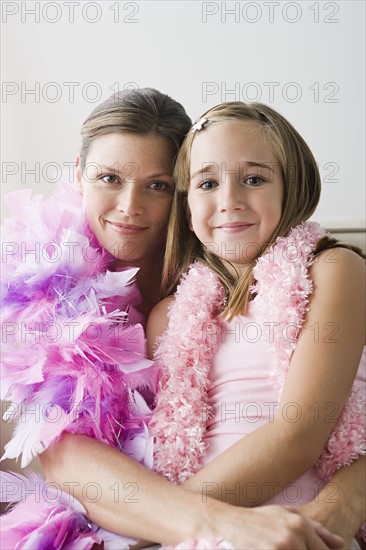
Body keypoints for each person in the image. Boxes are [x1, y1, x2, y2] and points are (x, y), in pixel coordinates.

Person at [1, 91, 362, 548]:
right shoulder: (55, 295)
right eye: (109, 177)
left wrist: (347, 498)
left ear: (180, 194)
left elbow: (312, 424)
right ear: (79, 174)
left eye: (158, 185)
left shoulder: (306, 269)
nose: (130, 206)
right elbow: (67, 452)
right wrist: (203, 525)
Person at [147, 101, 366, 544]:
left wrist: (162, 522)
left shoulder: (332, 270)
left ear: (292, 187)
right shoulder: (168, 316)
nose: (229, 201)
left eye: (253, 179)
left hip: (298, 527)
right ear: (187, 207)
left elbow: (298, 434)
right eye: (207, 183)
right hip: (201, 534)